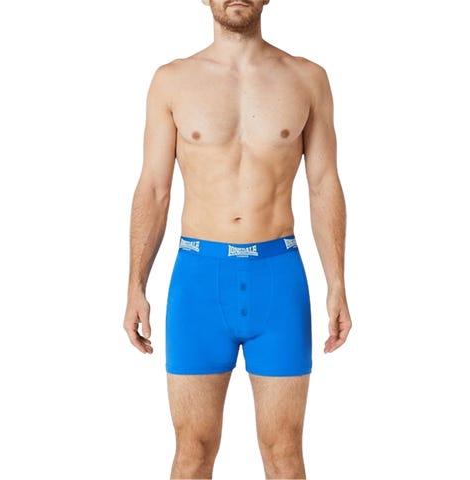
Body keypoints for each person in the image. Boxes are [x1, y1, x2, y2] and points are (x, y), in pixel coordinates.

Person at [123, 0, 352, 478]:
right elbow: (154, 189)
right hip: (198, 280)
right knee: (193, 451)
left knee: (284, 452)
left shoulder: (307, 78)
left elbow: (324, 184)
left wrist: (337, 284)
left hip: (279, 277)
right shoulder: (172, 80)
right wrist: (135, 285)